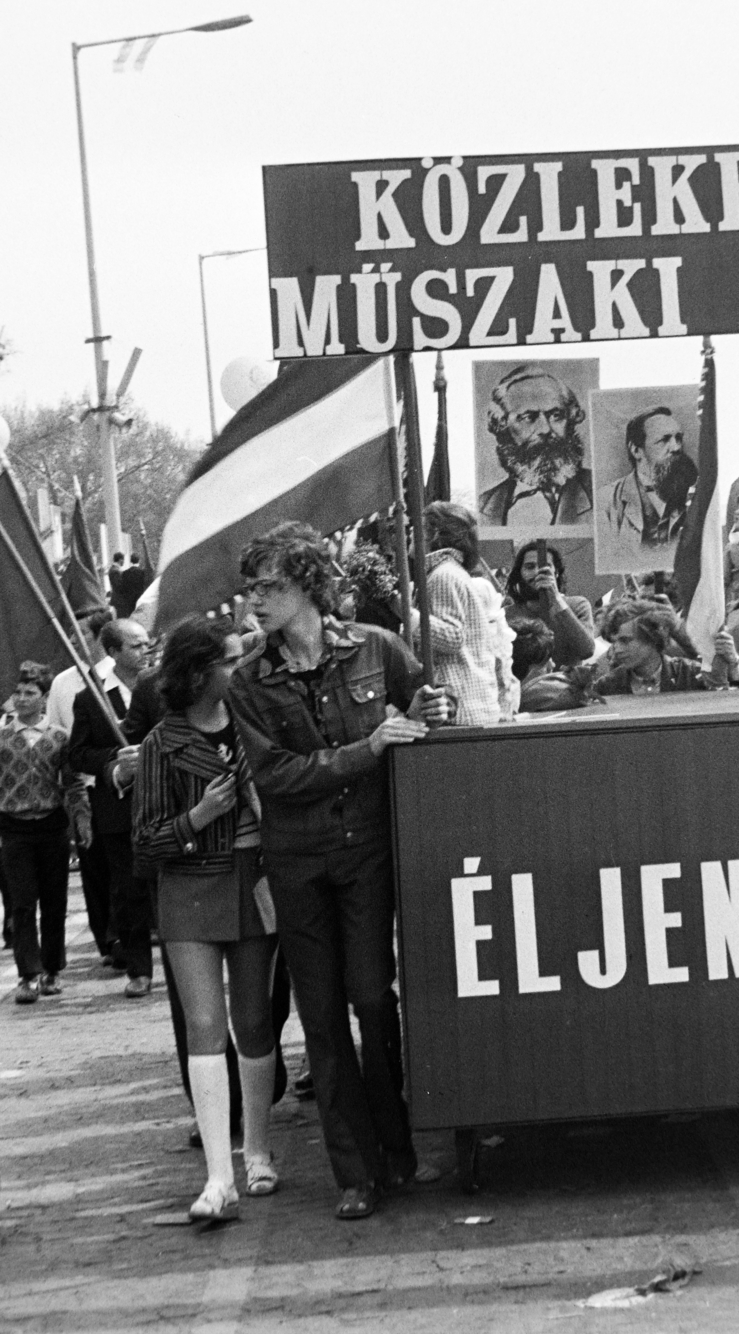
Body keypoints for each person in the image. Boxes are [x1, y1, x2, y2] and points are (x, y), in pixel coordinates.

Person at [227, 520, 450, 1221]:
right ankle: (354, 1172)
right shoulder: (248, 681)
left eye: (272, 587)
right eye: (253, 588)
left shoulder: (377, 648)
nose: (256, 602)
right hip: (296, 862)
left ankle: (398, 1144)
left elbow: (424, 709)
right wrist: (370, 747)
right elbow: (278, 775)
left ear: (311, 587)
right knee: (319, 1017)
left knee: (373, 998)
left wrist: (426, 710)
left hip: (366, 852)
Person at [133, 618, 280, 1220]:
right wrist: (197, 817)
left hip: (254, 882)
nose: (236, 669)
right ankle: (218, 1174)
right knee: (203, 1027)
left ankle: (260, 1153)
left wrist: (259, 803)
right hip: (190, 891)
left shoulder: (253, 725)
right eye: (225, 661)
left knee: (254, 1021)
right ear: (196, 673)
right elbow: (144, 842)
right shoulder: (160, 744)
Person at [67, 618, 157, 997]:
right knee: (129, 890)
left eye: (146, 642)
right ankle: (138, 968)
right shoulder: (91, 698)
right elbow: (78, 754)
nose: (145, 649)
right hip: (120, 809)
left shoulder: (164, 687)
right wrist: (113, 763)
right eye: (135, 645)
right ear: (114, 652)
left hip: (167, 804)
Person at [1, 664, 90, 1004]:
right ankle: (28, 975)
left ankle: (52, 969)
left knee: (55, 903)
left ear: (44, 698)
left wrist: (82, 821)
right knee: (22, 904)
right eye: (18, 693)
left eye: (30, 693)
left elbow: (73, 784)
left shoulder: (59, 738)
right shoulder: (3, 738)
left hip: (52, 826)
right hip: (14, 829)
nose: (22, 699)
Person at [44, 606, 116, 962]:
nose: (73, 640)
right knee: (93, 868)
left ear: (102, 638)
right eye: (71, 633)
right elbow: (55, 737)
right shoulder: (62, 683)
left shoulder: (120, 677)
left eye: (81, 634)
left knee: (123, 866)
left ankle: (129, 935)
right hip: (81, 789)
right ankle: (106, 939)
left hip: (120, 785)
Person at [479, 365, 594, 529]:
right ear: (502, 424)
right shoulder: (484, 505)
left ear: (571, 417)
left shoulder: (601, 492)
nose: (545, 429)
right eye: (528, 417)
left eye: (556, 416)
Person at [422, 502, 502, 726]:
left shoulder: (443, 575)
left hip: (460, 708)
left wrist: (408, 616)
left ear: (434, 533)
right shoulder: (452, 572)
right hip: (470, 705)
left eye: (417, 527)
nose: (410, 533)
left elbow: (452, 638)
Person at [604, 407, 698, 552]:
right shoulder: (606, 502)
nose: (676, 447)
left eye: (678, 438)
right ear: (636, 450)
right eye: (664, 440)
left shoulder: (696, 495)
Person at [590, 602, 730, 695]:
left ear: (652, 638)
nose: (617, 649)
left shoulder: (691, 675)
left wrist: (733, 662)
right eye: (614, 642)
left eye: (625, 641)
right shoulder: (606, 686)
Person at [503, 540, 596, 667]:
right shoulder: (507, 614)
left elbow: (587, 651)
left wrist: (556, 599)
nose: (537, 573)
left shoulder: (577, 605)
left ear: (556, 573)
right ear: (520, 573)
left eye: (545, 567)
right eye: (530, 567)